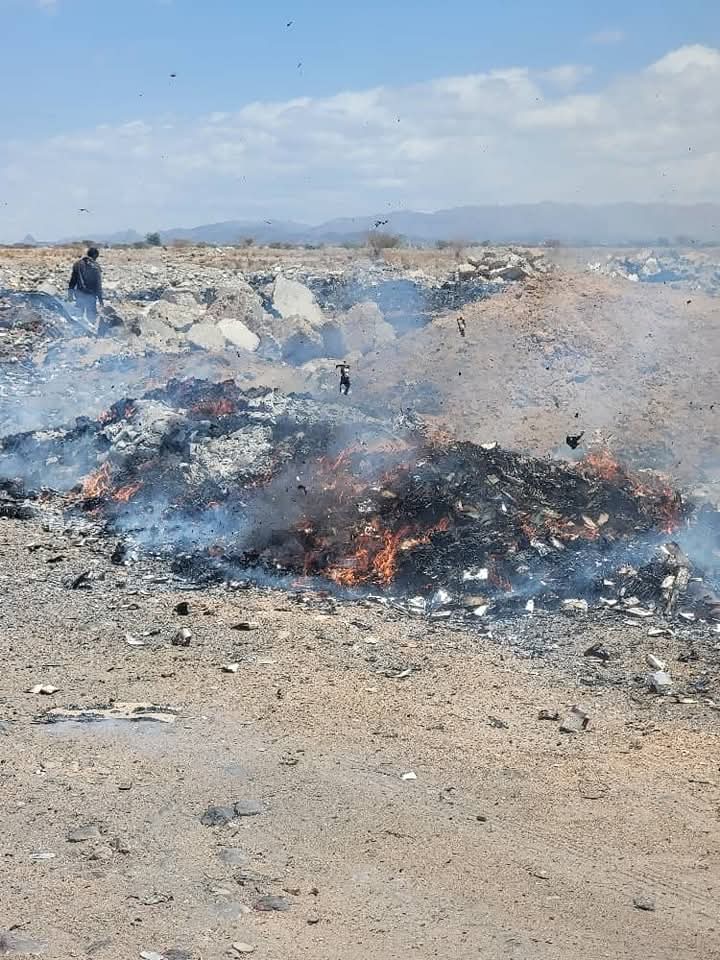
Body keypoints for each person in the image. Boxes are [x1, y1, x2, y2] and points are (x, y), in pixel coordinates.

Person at [68, 247, 104, 322]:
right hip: (91, 295)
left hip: (79, 294)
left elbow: (73, 280)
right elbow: (98, 284)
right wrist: (100, 300)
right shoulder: (96, 266)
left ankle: (78, 328)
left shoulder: (77, 264)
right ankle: (91, 328)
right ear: (95, 255)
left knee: (78, 316)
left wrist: (70, 294)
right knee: (91, 316)